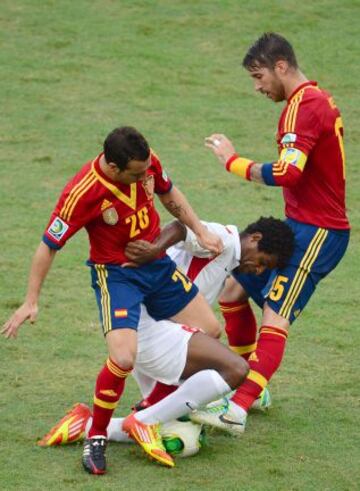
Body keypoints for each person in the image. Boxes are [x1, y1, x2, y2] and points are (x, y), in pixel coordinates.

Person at [1, 126, 224, 475]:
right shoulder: (83, 193)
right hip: (117, 276)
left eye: (146, 170)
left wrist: (201, 230)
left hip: (157, 265)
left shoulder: (146, 164)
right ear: (114, 167)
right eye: (136, 175)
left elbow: (168, 193)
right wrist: (31, 300)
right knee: (123, 356)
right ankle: (97, 433)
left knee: (210, 331)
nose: (143, 178)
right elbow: (48, 245)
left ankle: (148, 410)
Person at [37, 216, 294, 466]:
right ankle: (143, 421)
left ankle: (87, 424)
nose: (258, 270)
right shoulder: (225, 240)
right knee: (235, 369)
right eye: (262, 262)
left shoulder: (228, 262)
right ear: (255, 239)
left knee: (176, 414)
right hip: (153, 332)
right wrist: (155, 249)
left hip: (148, 332)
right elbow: (180, 227)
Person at [192, 32, 350, 434]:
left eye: (259, 76)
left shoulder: (306, 106)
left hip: (319, 232)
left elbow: (288, 172)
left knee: (275, 317)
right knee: (233, 290)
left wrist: (232, 162)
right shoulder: (306, 103)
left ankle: (236, 409)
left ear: (281, 66)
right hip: (297, 224)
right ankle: (251, 384)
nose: (258, 86)